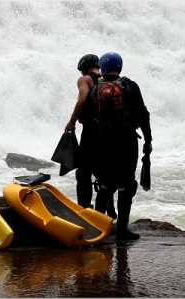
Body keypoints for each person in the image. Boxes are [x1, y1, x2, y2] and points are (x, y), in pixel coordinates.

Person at [93, 52, 153, 240]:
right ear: (119, 65)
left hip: (105, 140)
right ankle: (122, 230)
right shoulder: (129, 85)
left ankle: (98, 229)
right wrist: (148, 140)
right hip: (127, 140)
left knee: (105, 184)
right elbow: (143, 114)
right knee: (127, 183)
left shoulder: (97, 87)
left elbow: (90, 115)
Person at [65, 54, 117, 219]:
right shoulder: (108, 80)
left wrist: (71, 122)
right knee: (104, 172)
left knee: (84, 172)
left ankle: (84, 209)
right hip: (108, 132)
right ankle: (110, 212)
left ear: (83, 67)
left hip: (90, 131)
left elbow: (82, 99)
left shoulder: (85, 80)